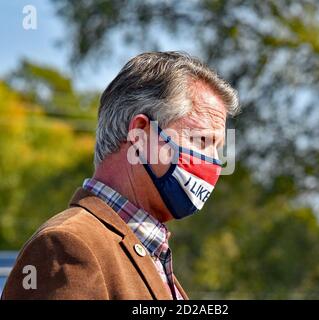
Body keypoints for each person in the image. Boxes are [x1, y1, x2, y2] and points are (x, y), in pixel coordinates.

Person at [1, 51, 239, 300]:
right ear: (140, 134)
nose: (213, 163)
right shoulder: (68, 246)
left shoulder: (149, 254)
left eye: (217, 148)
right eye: (201, 141)